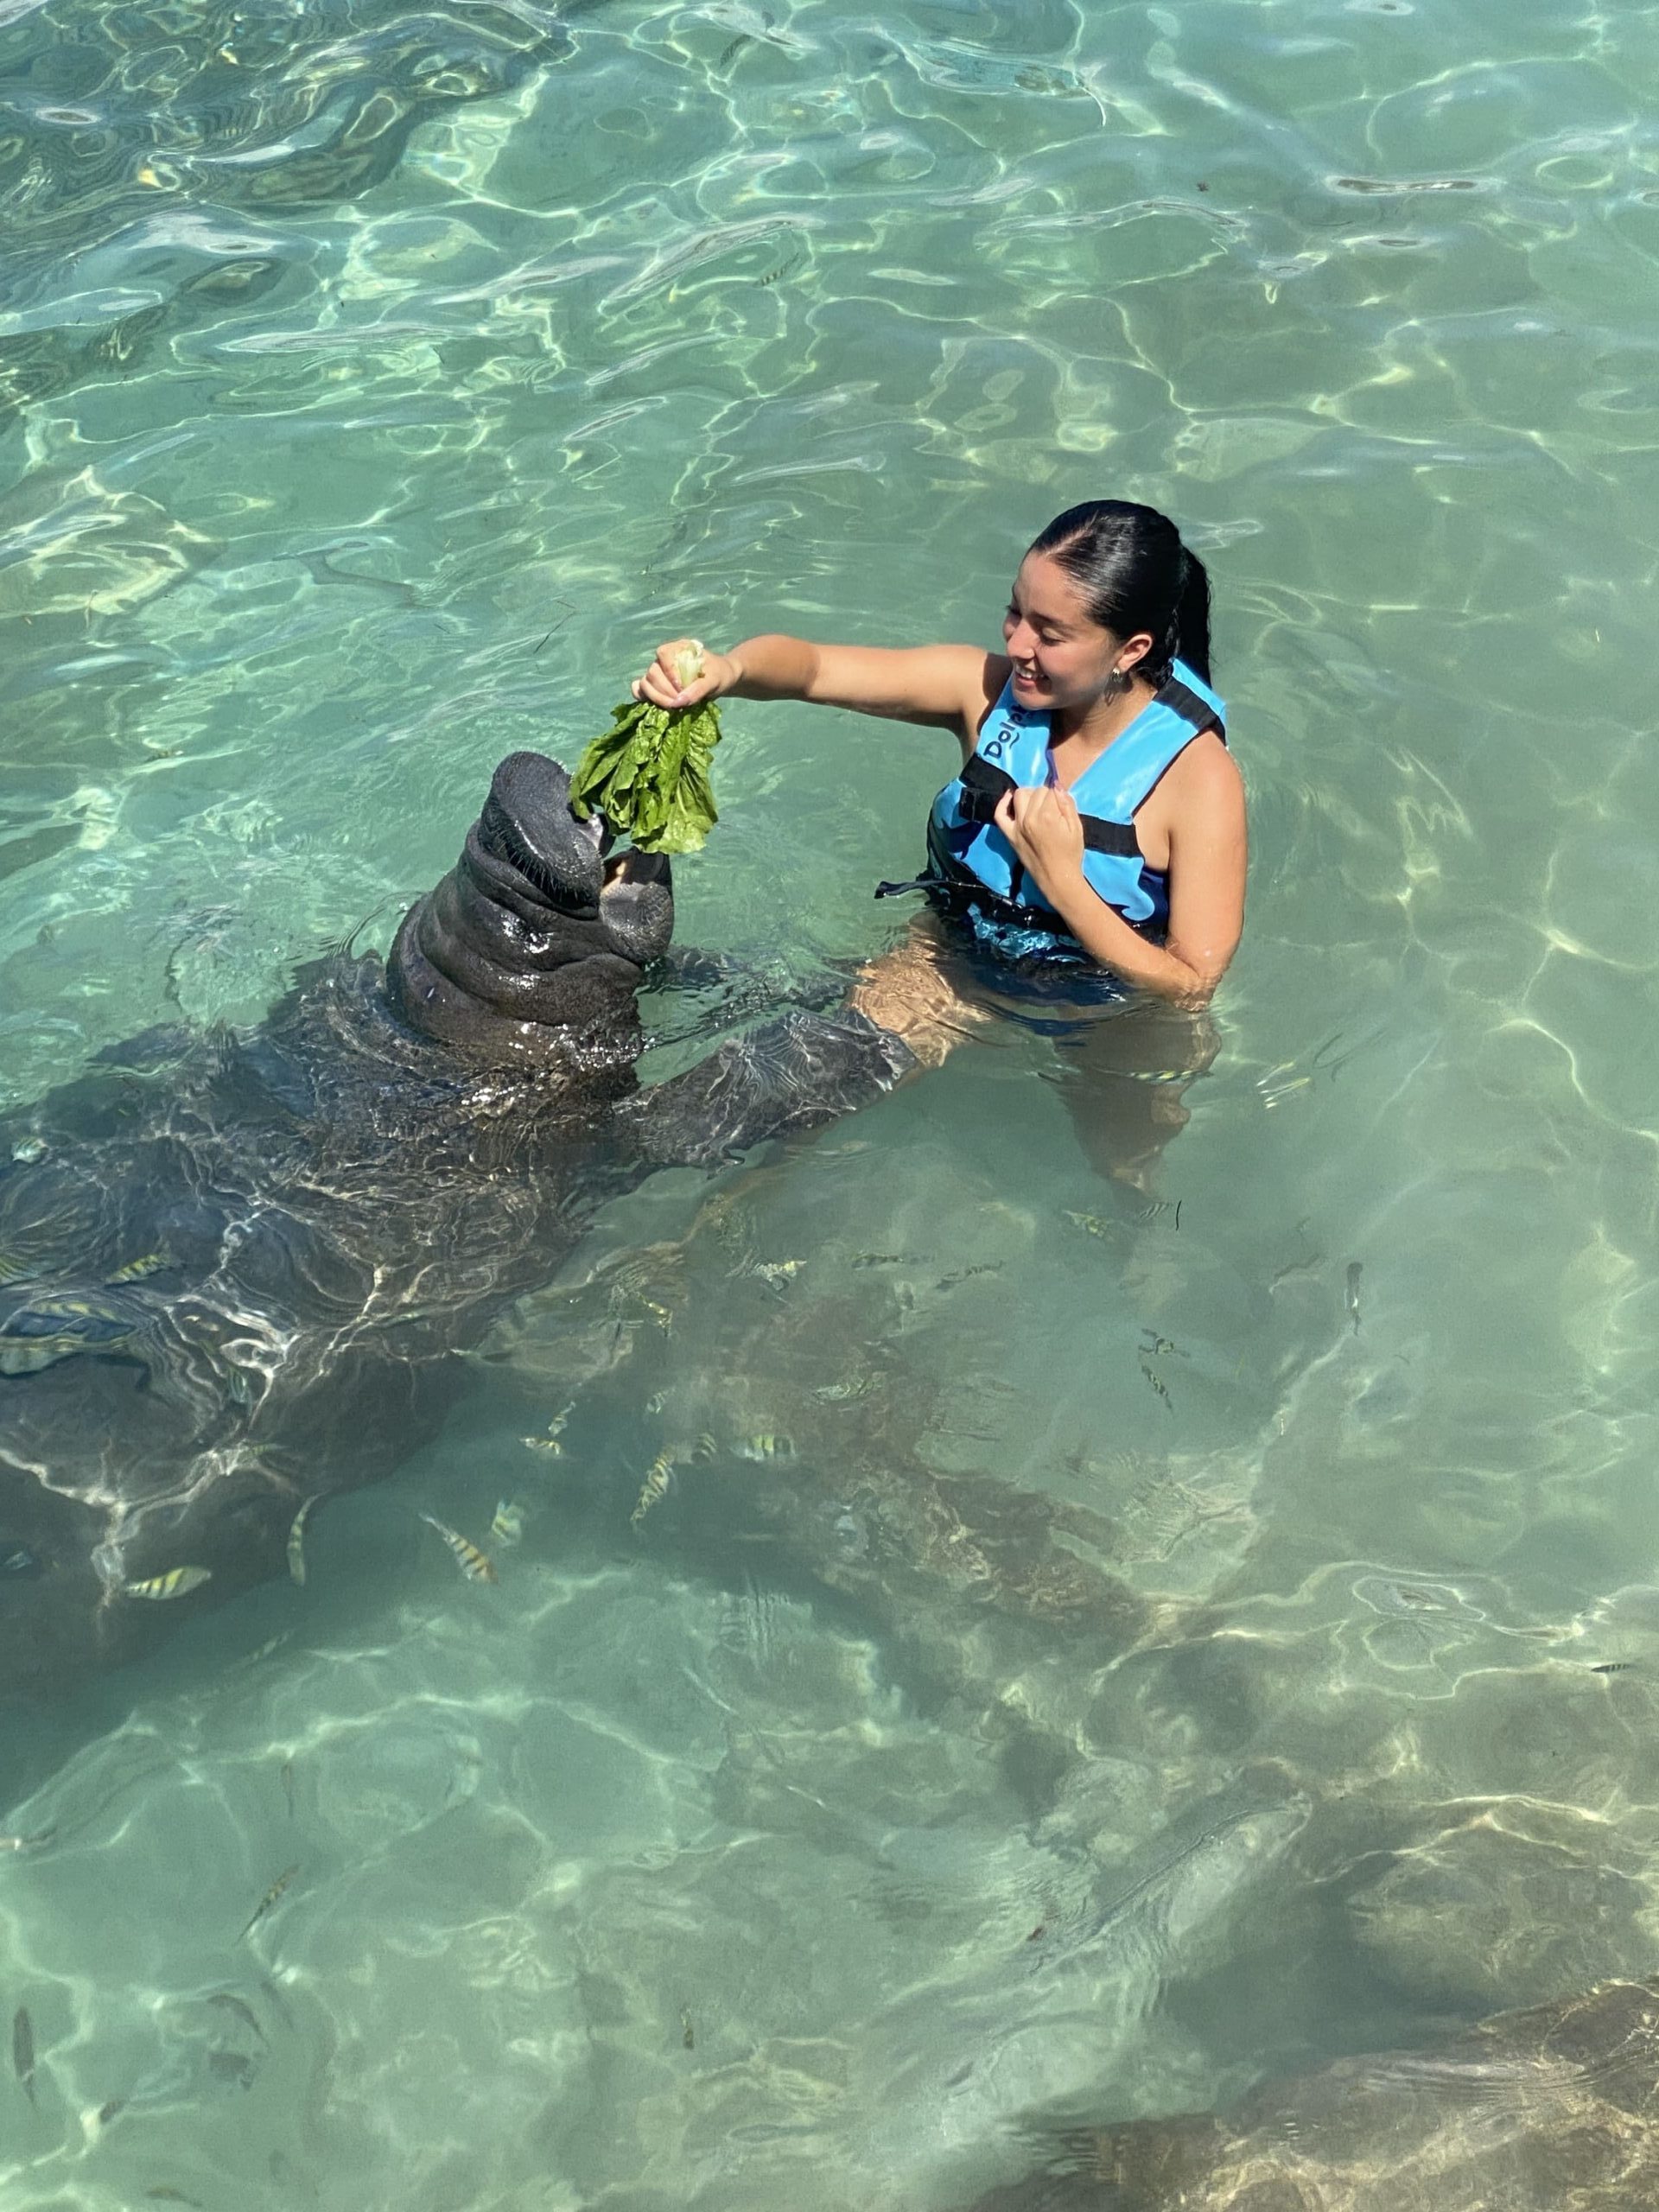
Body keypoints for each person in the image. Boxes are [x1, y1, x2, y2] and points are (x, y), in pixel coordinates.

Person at [631, 499, 1247, 1181]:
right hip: (957, 960)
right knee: (793, 1093)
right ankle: (706, 1231)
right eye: (1016, 612)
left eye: (1051, 633)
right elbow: (813, 670)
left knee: (1124, 1167)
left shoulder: (1199, 782)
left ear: (1128, 651)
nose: (1018, 646)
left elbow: (1190, 985)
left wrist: (1065, 882)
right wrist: (729, 672)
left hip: (1109, 1010)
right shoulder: (983, 692)